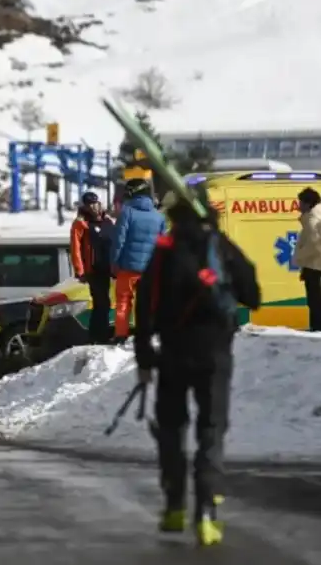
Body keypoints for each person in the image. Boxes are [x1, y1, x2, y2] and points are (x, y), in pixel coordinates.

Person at [134, 186, 260, 546]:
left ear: (174, 216)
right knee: (211, 429)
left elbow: (145, 306)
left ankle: (174, 505)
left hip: (173, 353)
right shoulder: (221, 247)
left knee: (172, 428)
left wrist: (145, 357)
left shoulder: (164, 251)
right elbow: (253, 296)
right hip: (215, 354)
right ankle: (206, 511)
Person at [110, 179, 165, 340]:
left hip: (127, 268)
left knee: (123, 302)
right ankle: (147, 333)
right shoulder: (159, 216)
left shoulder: (127, 213)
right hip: (149, 269)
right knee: (147, 302)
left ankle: (121, 335)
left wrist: (114, 263)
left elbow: (118, 241)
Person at [70, 192, 115, 343]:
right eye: (90, 204)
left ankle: (99, 334)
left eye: (95, 203)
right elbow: (75, 248)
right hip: (93, 270)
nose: (94, 207)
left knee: (104, 303)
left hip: (108, 268)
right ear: (85, 207)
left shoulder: (107, 220)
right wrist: (80, 270)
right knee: (101, 302)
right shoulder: (81, 223)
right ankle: (99, 336)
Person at [294, 187, 321, 331]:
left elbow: (314, 245)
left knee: (314, 301)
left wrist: (299, 257)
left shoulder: (312, 220)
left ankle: (316, 329)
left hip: (314, 267)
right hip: (313, 265)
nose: (298, 206)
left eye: (300, 202)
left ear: (308, 203)